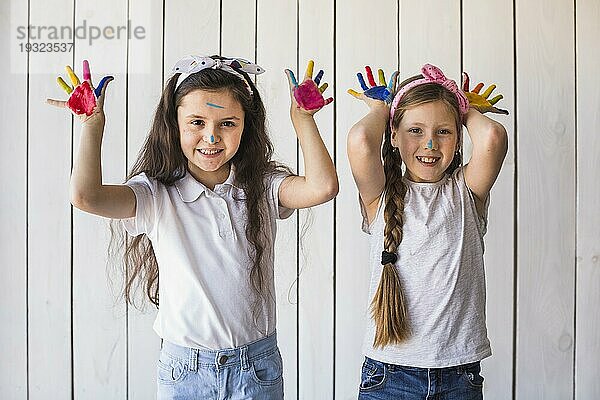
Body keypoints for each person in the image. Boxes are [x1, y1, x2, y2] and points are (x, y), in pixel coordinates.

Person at [48, 55, 338, 400]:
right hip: (186, 371)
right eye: (197, 122)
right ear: (175, 124)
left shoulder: (263, 185)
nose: (211, 137)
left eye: (227, 123)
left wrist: (302, 119)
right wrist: (92, 125)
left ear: (247, 124)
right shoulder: (156, 194)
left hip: (256, 366)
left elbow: (323, 187)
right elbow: (85, 196)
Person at [346, 63, 508, 399]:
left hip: (459, 375)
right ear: (393, 135)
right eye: (415, 131)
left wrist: (467, 109)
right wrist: (381, 109)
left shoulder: (466, 192)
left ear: (459, 136)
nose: (430, 143)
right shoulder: (381, 195)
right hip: (389, 375)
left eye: (444, 131)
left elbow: (493, 137)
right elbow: (361, 141)